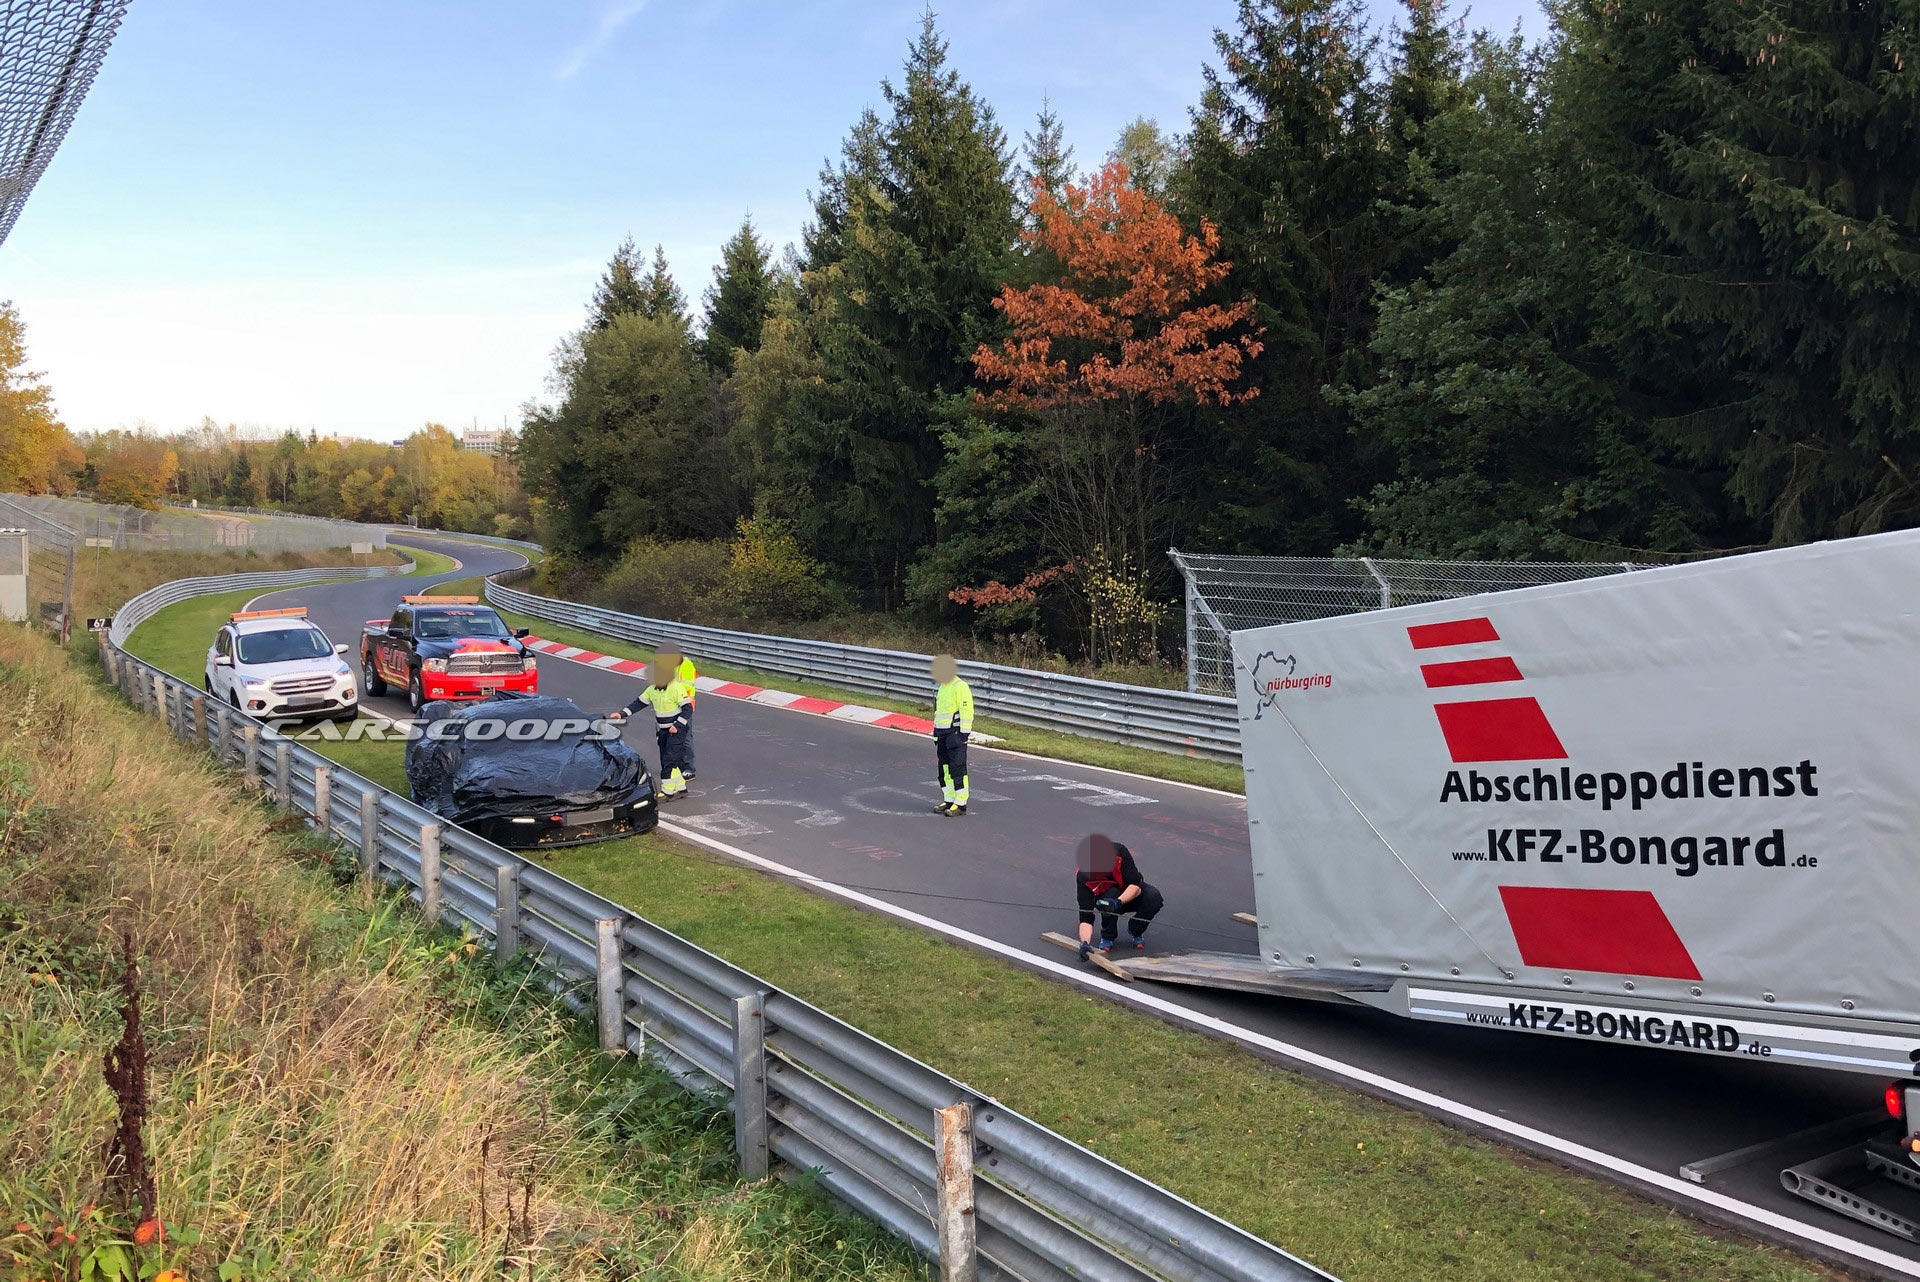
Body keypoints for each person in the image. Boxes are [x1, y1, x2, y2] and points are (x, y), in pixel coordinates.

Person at [611, 657, 693, 799]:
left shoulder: (676, 688)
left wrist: (677, 725)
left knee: (668, 760)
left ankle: (668, 791)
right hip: (663, 730)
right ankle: (681, 787)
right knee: (668, 759)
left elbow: (688, 708)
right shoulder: (652, 690)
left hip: (676, 730)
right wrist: (621, 713)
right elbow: (638, 703)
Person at [1074, 833, 1164, 956]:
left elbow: (1135, 886)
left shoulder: (1120, 852)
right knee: (1110, 895)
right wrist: (1084, 943)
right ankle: (1108, 936)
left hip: (1128, 893)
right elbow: (1086, 916)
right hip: (1106, 899)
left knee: (1153, 897)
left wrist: (1118, 902)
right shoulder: (1083, 875)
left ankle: (1136, 929)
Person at [930, 654, 973, 816]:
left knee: (958, 768)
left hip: (955, 734)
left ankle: (960, 803)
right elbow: (938, 712)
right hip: (941, 735)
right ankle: (949, 799)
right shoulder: (942, 686)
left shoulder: (959, 686)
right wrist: (935, 734)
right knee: (944, 770)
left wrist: (963, 735)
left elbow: (967, 711)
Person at [660, 646, 698, 778]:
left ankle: (689, 768)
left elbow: (687, 685)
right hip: (670, 706)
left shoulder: (687, 666)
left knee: (685, 737)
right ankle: (676, 766)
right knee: (669, 736)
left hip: (685, 705)